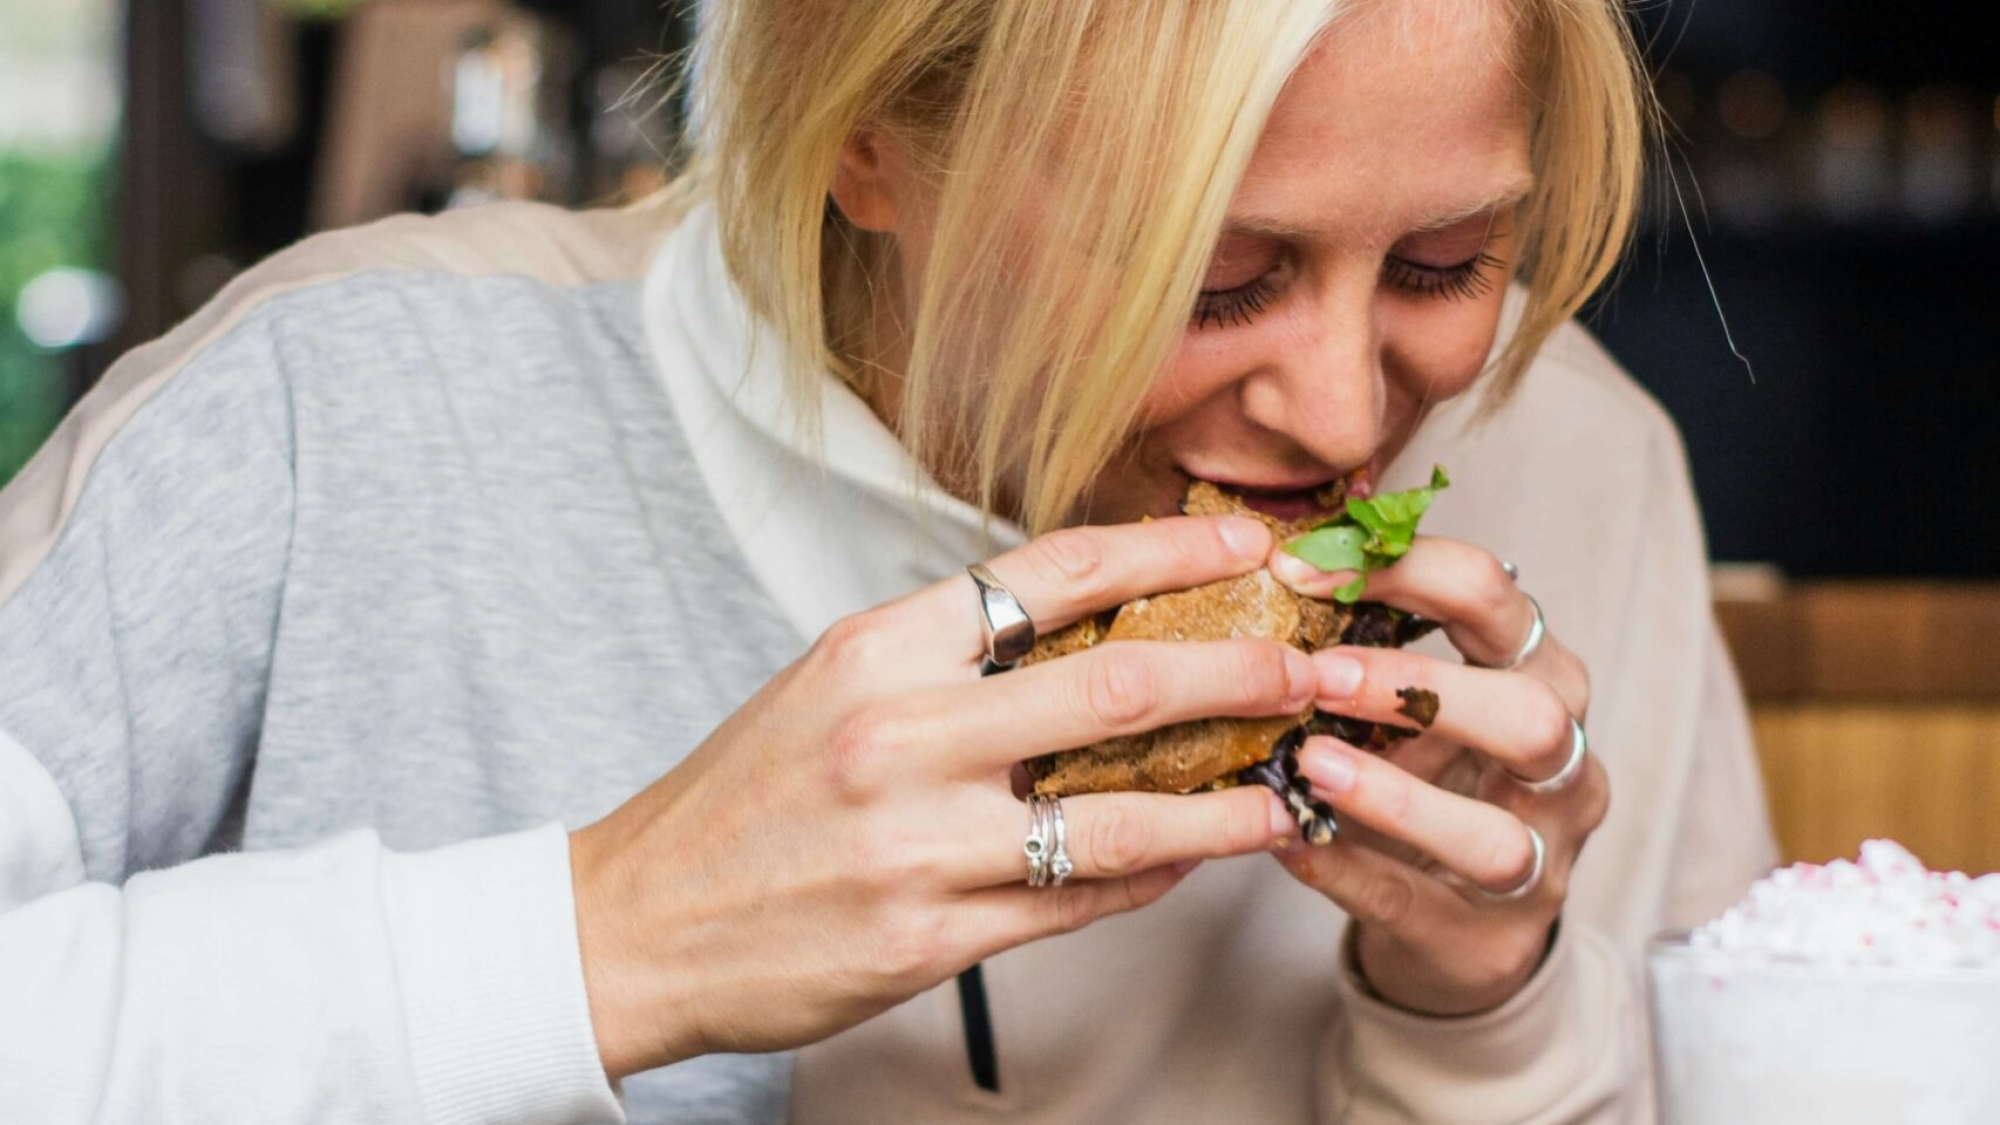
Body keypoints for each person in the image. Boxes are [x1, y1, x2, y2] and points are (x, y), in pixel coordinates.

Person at [0, 0, 1778, 1121]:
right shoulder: (335, 410)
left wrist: (1486, 1007)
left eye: (1449, 263)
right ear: (864, 134)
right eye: (1213, 275)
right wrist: (599, 937)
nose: (1339, 409)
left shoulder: (1588, 467)